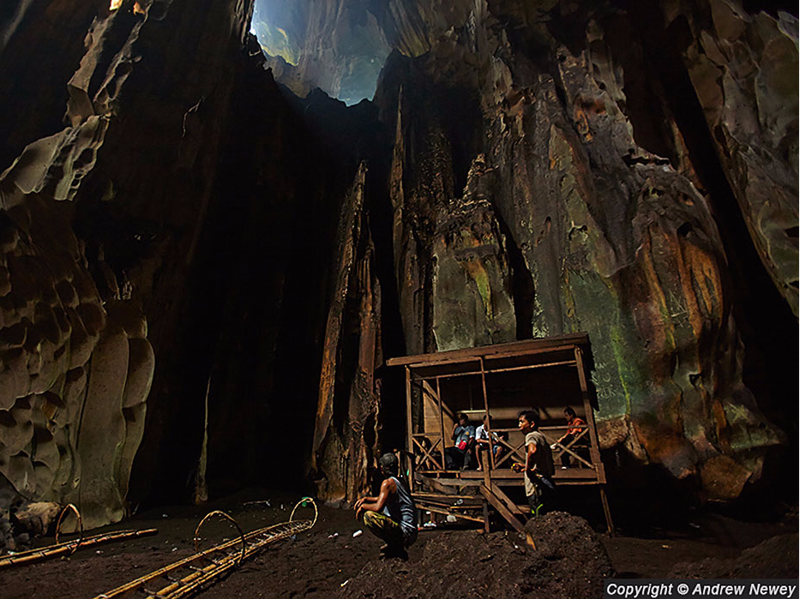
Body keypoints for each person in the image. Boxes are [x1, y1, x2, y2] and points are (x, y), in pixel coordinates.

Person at [354, 453, 418, 559]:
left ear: (382, 468)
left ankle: (394, 544)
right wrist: (367, 499)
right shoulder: (400, 481)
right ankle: (395, 546)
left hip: (405, 532)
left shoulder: (387, 483)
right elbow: (384, 498)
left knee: (370, 517)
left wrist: (363, 507)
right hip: (412, 531)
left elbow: (378, 507)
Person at [512, 410, 556, 516]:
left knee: (537, 514)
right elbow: (538, 460)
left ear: (532, 424)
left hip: (535, 485)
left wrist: (528, 469)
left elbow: (533, 450)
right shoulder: (540, 436)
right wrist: (524, 466)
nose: (519, 425)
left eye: (522, 422)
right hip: (545, 480)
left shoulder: (530, 436)